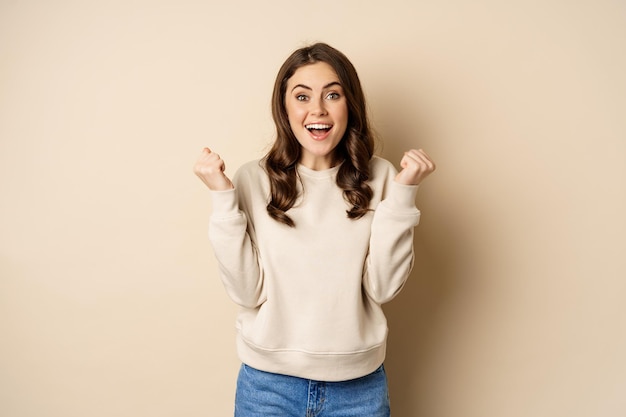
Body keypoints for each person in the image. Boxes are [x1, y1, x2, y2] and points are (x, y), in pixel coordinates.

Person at [193, 42, 435, 417]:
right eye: (302, 96)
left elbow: (383, 287)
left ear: (349, 104)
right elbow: (245, 291)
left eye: (332, 94)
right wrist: (223, 199)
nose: (317, 110)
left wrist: (404, 194)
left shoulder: (384, 177)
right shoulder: (252, 180)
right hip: (267, 388)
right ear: (285, 108)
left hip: (359, 390)